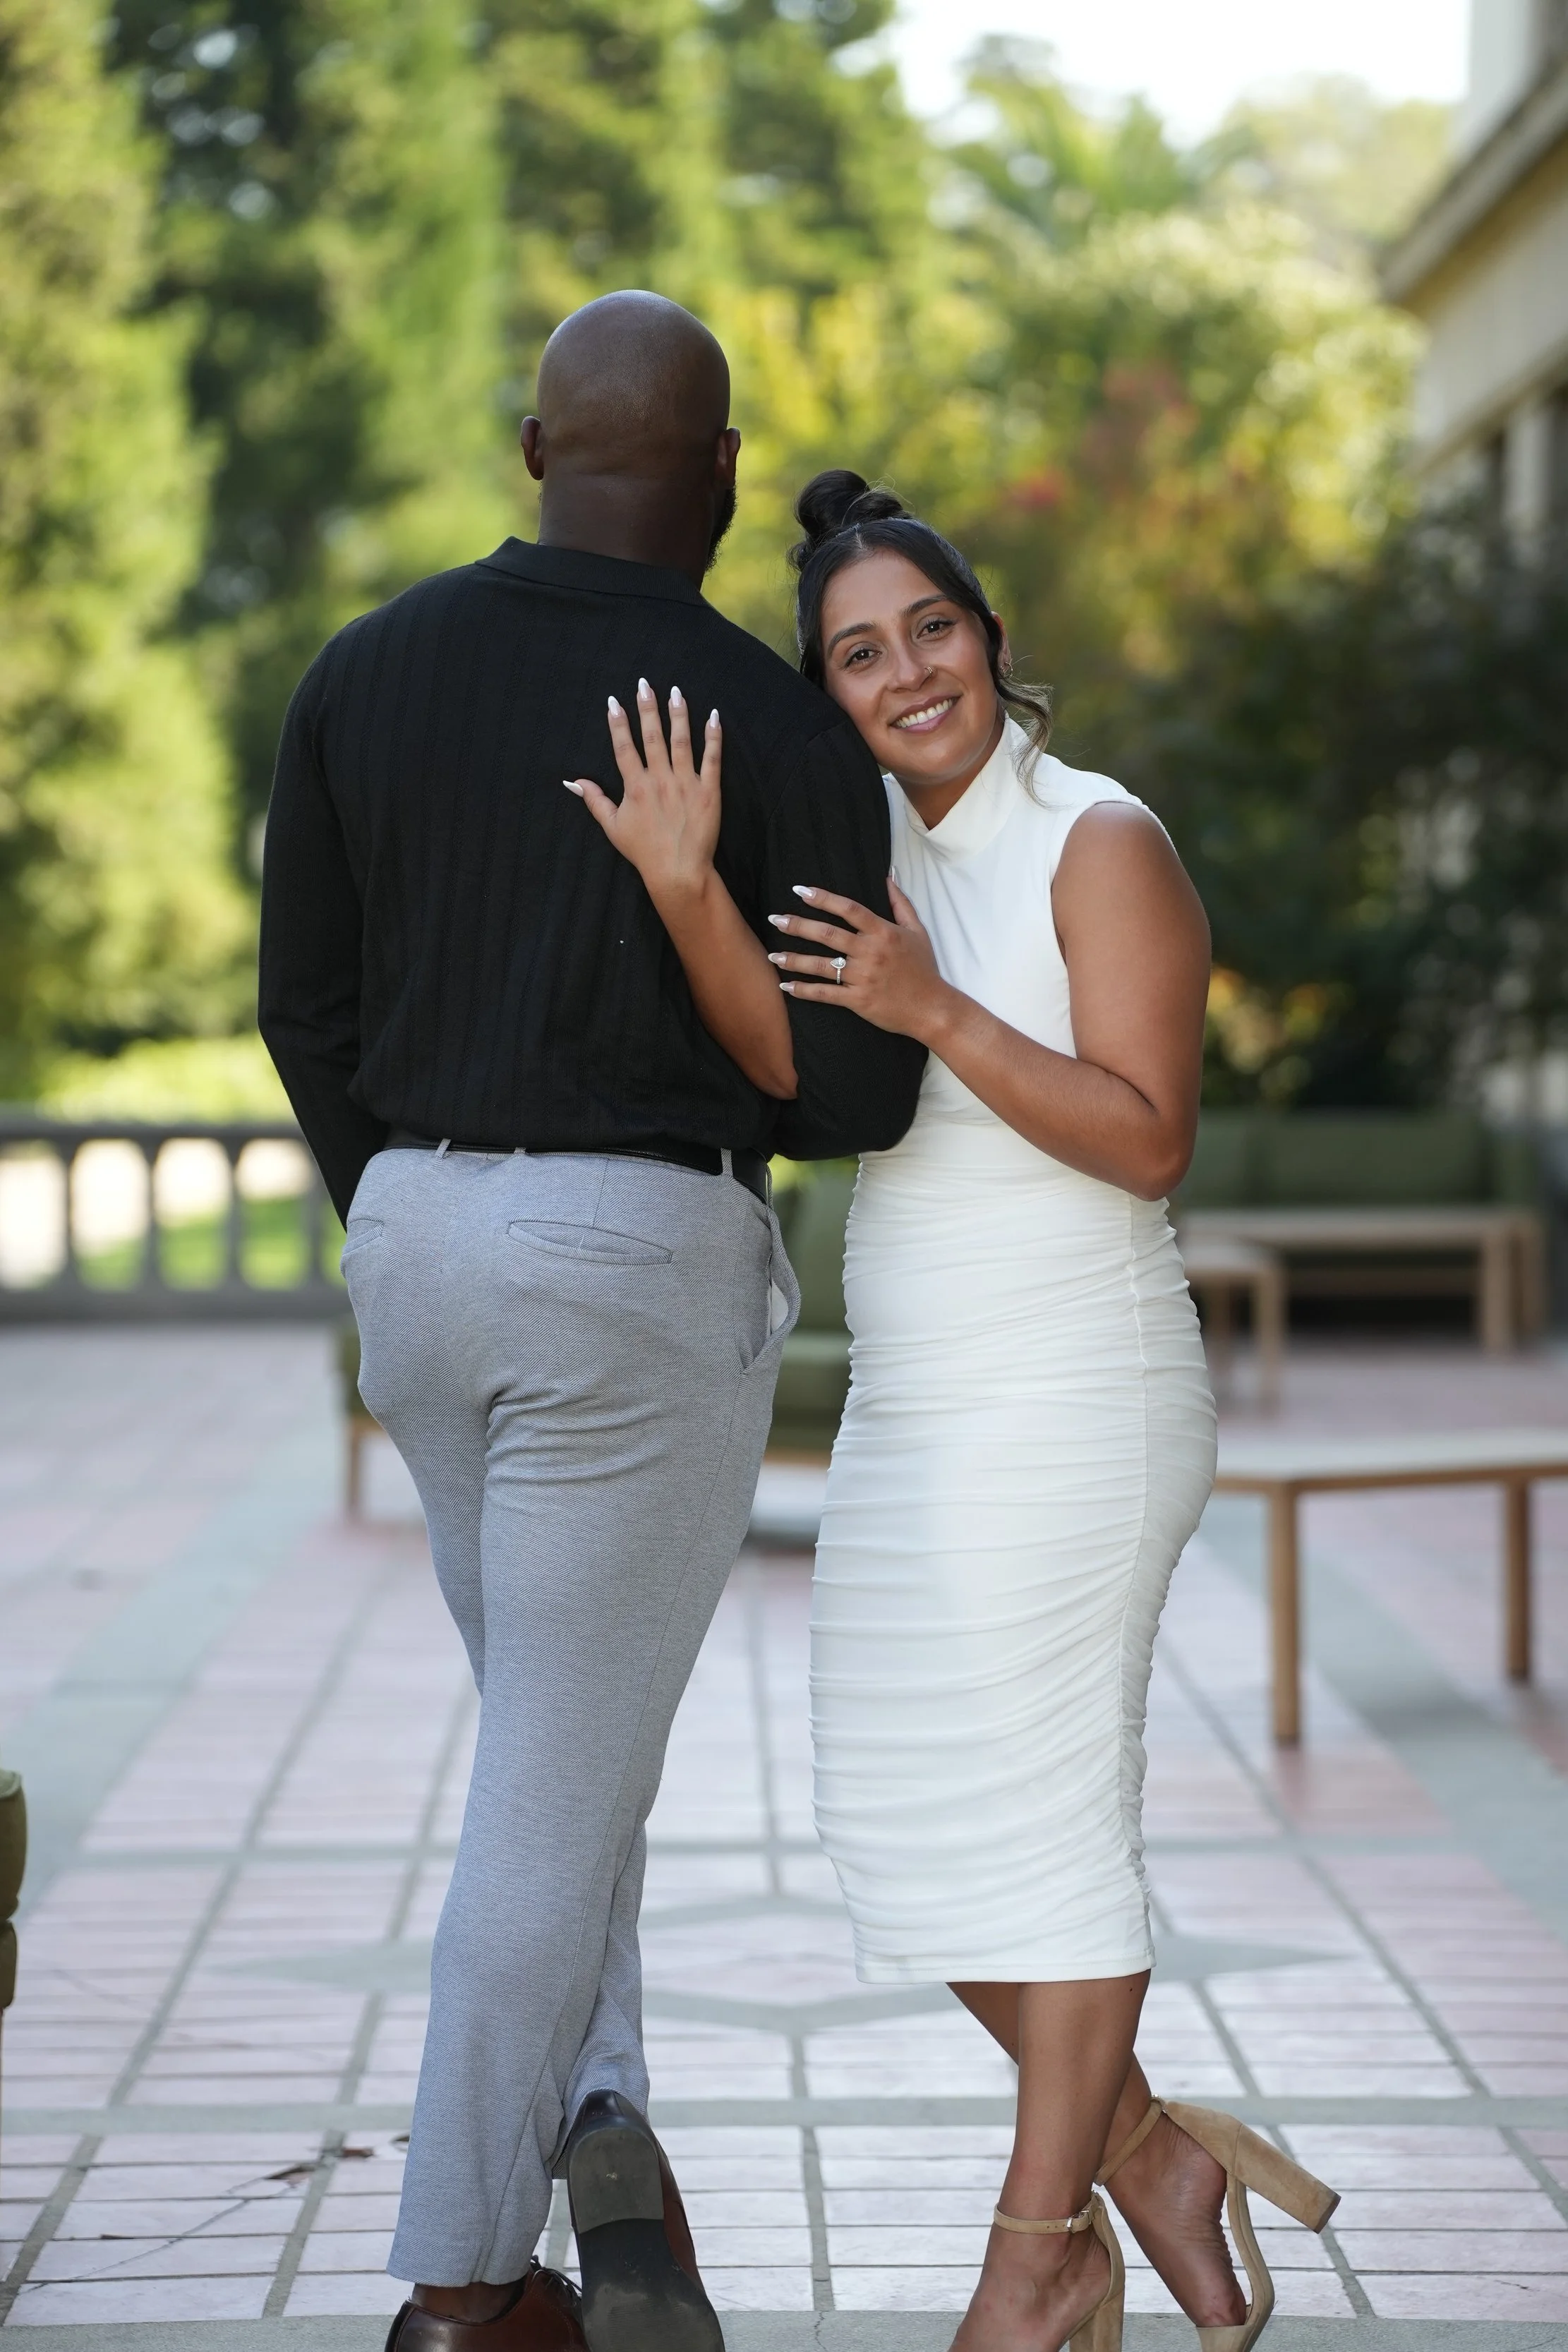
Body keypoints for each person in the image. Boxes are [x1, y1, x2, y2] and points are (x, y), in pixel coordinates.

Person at [576, 471, 1339, 2352]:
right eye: (857, 652)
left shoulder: (1099, 841)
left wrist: (935, 1010)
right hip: (920, 1403)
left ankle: (1034, 2254)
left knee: (1052, 1822)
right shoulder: (855, 864)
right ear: (820, 697)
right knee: (896, 1819)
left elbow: (1143, 1133)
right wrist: (685, 888)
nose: (904, 669)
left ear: (992, 641)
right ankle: (1151, 2148)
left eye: (930, 627)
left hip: (1078, 1387)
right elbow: (777, 1069)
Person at [258, 310, 926, 2352]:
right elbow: (854, 1095)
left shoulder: (358, 673)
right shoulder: (772, 723)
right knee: (555, 1786)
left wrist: (407, 1200)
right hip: (639, 1262)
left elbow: (308, 1011)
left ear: (531, 442)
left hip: (421, 1248)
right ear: (720, 471)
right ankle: (466, 2285)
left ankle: (610, 2130)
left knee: (566, 1742)